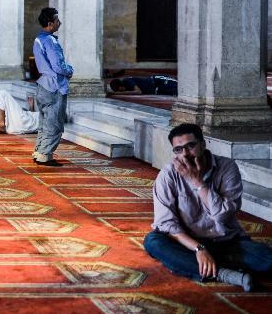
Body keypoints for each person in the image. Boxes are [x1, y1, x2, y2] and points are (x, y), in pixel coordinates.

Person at [144, 123, 272, 292]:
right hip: (189, 243)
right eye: (179, 149)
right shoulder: (168, 175)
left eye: (191, 146)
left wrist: (197, 182)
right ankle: (225, 274)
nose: (185, 154)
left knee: (268, 260)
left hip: (227, 241)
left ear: (203, 144)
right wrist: (199, 249)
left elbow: (222, 216)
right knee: (153, 241)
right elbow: (167, 224)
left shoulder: (227, 168)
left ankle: (207, 264)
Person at [31, 7, 73, 167]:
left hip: (43, 85)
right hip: (54, 86)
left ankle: (39, 151)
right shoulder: (50, 41)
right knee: (54, 123)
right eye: (57, 20)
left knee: (44, 122)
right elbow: (58, 65)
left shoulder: (38, 39)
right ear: (50, 23)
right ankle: (45, 155)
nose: (59, 22)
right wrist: (69, 71)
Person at [107, 75, 177, 96]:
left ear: (121, 85)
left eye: (121, 89)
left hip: (159, 81)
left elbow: (138, 92)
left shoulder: (127, 81)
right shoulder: (126, 86)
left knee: (180, 86)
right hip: (157, 89)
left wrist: (117, 93)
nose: (122, 91)